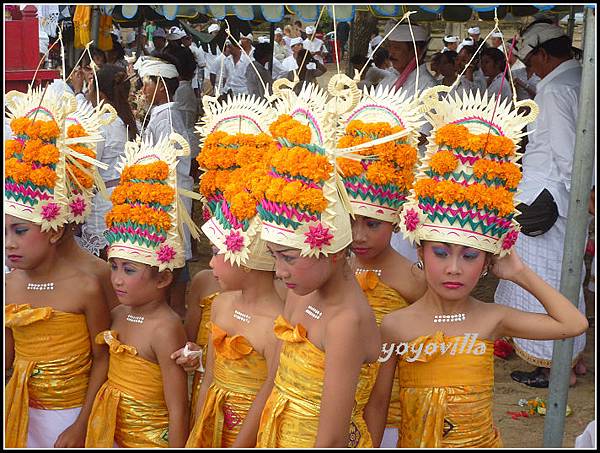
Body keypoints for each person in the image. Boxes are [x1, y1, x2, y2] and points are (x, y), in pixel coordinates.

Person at [364, 83, 588, 448]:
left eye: (469, 256)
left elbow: (573, 324)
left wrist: (520, 273)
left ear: (487, 263)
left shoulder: (491, 318)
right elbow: (378, 405)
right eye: (440, 253)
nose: (454, 268)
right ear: (419, 252)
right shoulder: (396, 325)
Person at [255, 81, 381, 448]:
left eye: (288, 257)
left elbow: (330, 439)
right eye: (275, 256)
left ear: (334, 250)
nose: (279, 271)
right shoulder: (300, 293)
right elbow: (275, 384)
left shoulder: (346, 322)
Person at [173, 93, 283, 447]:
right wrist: (197, 429)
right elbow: (208, 382)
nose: (212, 261)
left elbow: (271, 393)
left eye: (220, 252)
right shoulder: (219, 304)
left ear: (249, 260)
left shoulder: (279, 323)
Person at [5, 85, 111, 448]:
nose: (8, 243)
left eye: (19, 230)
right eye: (4, 231)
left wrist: (82, 424)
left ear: (55, 230)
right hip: (19, 416)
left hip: (71, 418)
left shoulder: (88, 285)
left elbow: (104, 356)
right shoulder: (11, 284)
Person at [495, 22, 590, 388]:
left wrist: (584, 197)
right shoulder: (578, 80)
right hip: (564, 199)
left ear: (544, 55)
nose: (531, 70)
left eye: (532, 63)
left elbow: (569, 154)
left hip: (548, 200)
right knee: (567, 278)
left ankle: (554, 367)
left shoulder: (554, 92)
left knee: (541, 281)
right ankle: (569, 358)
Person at [336, 87, 428, 448]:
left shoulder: (412, 277)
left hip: (388, 411)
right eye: (352, 221)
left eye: (372, 225)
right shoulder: (335, 269)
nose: (359, 235)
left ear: (395, 221)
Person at [85, 134, 191, 448]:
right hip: (111, 432)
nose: (116, 278)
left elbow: (177, 407)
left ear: (162, 279)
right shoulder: (118, 314)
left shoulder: (167, 328)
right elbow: (103, 366)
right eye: (114, 266)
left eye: (129, 270)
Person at [133, 52, 196, 318]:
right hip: (164, 195)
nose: (142, 90)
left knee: (174, 254)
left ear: (159, 85)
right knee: (170, 253)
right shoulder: (161, 116)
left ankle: (177, 310)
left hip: (171, 195)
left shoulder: (168, 119)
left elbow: (171, 165)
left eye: (146, 83)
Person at [379, 20, 438, 263]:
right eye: (390, 46)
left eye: (397, 48)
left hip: (413, 178)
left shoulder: (430, 87)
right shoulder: (387, 82)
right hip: (383, 174)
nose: (391, 53)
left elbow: (423, 134)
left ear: (417, 51)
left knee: (404, 247)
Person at [81, 64, 138, 262]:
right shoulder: (126, 120)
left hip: (104, 200)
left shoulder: (102, 122)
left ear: (101, 94)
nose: (88, 92)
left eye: (90, 87)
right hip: (124, 196)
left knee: (103, 260)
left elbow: (88, 167)